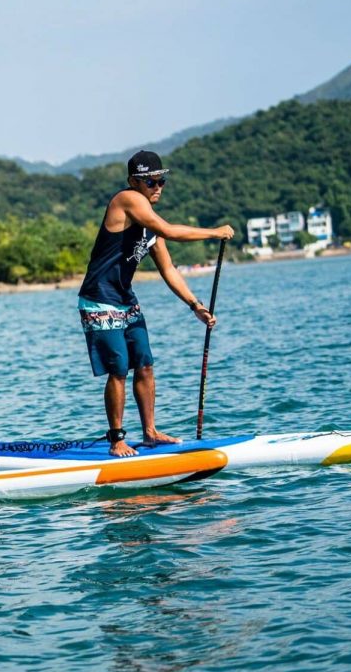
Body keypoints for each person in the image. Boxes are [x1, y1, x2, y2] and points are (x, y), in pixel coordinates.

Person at [77, 150, 235, 457]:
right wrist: (214, 232)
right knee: (120, 369)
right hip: (99, 299)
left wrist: (195, 305)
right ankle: (117, 439)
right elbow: (171, 230)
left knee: (145, 365)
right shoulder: (126, 200)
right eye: (151, 182)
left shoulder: (149, 225)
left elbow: (169, 270)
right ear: (133, 182)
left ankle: (150, 432)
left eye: (161, 181)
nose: (157, 187)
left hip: (125, 298)